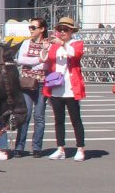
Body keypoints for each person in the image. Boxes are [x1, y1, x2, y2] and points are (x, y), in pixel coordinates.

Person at [44, 17, 87, 161]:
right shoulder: (54, 45)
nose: (62, 32)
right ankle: (60, 148)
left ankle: (80, 148)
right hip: (56, 87)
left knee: (75, 119)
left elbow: (75, 54)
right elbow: (46, 60)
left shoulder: (76, 43)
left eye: (65, 30)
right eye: (60, 29)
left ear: (71, 31)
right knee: (58, 120)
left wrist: (62, 43)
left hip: (71, 87)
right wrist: (45, 48)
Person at [13, 17, 53, 158]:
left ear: (42, 29)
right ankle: (19, 146)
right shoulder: (25, 43)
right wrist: (38, 59)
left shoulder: (47, 44)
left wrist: (35, 62)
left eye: (33, 27)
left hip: (42, 82)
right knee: (26, 114)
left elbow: (46, 64)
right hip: (26, 82)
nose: (31, 30)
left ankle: (37, 147)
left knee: (39, 116)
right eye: (30, 27)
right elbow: (21, 60)